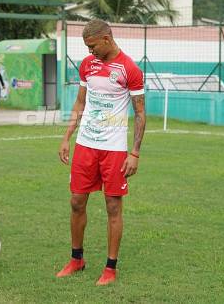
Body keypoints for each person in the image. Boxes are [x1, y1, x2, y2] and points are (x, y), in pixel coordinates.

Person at [57, 19, 146, 285]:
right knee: (76, 202)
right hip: (86, 145)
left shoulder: (129, 69)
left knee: (113, 206)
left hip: (114, 149)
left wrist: (135, 153)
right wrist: (66, 137)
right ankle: (77, 259)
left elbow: (140, 113)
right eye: (87, 47)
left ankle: (110, 268)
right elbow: (80, 102)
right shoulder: (87, 65)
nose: (90, 52)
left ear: (107, 38)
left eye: (93, 46)